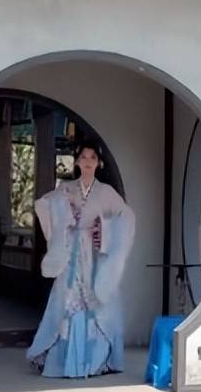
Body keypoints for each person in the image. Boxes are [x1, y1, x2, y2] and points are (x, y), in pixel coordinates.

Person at [27, 140, 135, 377]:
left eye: (92, 158)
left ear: (99, 163)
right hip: (69, 254)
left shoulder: (106, 192)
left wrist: (103, 228)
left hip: (94, 255)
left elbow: (127, 217)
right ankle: (63, 361)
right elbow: (43, 205)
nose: (87, 162)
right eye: (83, 157)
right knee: (66, 301)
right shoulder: (66, 188)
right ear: (76, 161)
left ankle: (93, 361)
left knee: (96, 302)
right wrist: (62, 208)